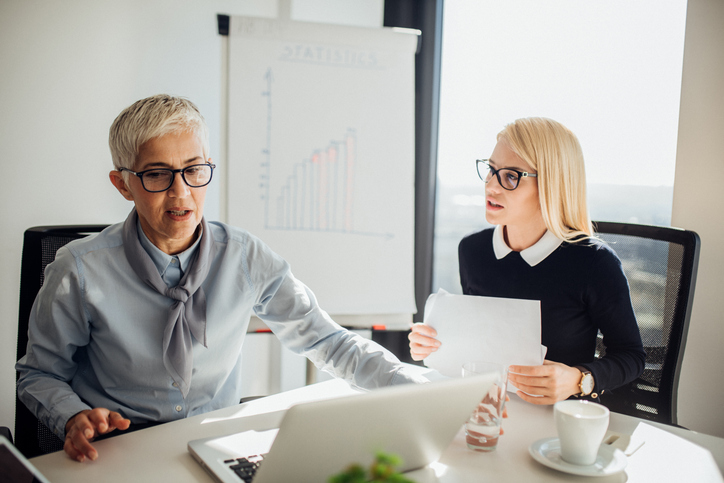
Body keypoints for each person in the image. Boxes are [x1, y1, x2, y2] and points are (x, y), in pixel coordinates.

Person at [16, 94, 426, 463]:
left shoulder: (244, 257)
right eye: (157, 175)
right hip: (120, 452)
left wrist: (416, 386)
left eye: (194, 170)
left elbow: (327, 340)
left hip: (216, 449)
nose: (181, 193)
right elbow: (39, 373)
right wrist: (73, 417)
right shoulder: (79, 269)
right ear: (123, 183)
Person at [409, 117, 645, 405]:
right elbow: (483, 340)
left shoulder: (594, 263)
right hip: (491, 408)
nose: (491, 186)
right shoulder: (473, 250)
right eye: (491, 170)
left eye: (510, 176)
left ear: (551, 185)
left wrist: (579, 379)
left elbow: (631, 356)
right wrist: (433, 343)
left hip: (556, 420)